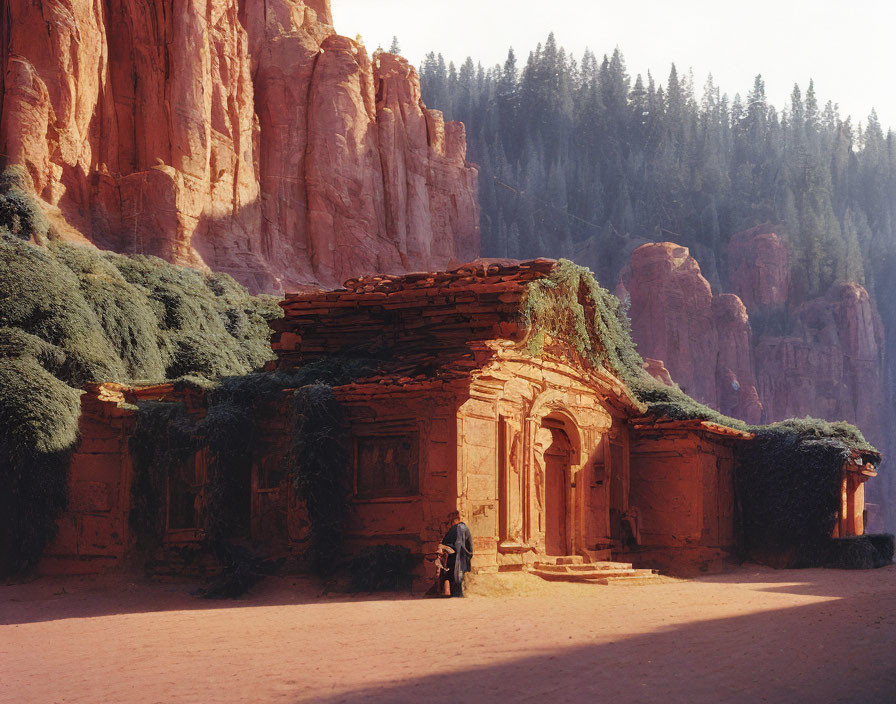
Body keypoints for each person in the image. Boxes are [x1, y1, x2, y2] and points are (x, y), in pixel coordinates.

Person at [439, 511, 473, 597]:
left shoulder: (458, 528)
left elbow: (456, 544)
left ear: (454, 520)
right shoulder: (464, 528)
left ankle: (457, 594)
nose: (449, 524)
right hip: (462, 557)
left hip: (457, 557)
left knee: (456, 577)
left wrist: (444, 547)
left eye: (450, 521)